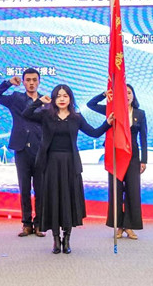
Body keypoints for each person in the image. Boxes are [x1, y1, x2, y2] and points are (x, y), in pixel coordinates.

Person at [22, 84, 112, 255]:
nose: (62, 99)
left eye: (65, 96)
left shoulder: (76, 117)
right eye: (58, 96)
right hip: (50, 163)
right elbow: (26, 114)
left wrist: (107, 123)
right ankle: (56, 239)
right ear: (53, 99)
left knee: (68, 200)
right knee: (54, 200)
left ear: (70, 98)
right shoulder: (46, 115)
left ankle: (67, 238)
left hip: (70, 163)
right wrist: (39, 102)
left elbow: (94, 133)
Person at [0, 68, 45, 237]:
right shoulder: (16, 98)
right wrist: (8, 83)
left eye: (34, 80)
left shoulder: (46, 101)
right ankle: (26, 224)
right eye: (28, 80)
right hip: (21, 148)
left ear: (39, 82)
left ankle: (39, 223)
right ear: (23, 81)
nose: (31, 83)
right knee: (24, 188)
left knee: (40, 188)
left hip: (40, 148)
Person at [88, 84, 147, 239]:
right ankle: (118, 226)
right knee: (116, 191)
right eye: (123, 93)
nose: (127, 95)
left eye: (129, 93)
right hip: (115, 154)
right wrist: (104, 94)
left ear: (133, 95)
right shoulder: (111, 111)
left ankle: (129, 226)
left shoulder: (140, 113)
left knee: (133, 191)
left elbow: (143, 137)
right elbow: (91, 104)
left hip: (133, 156)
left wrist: (144, 160)